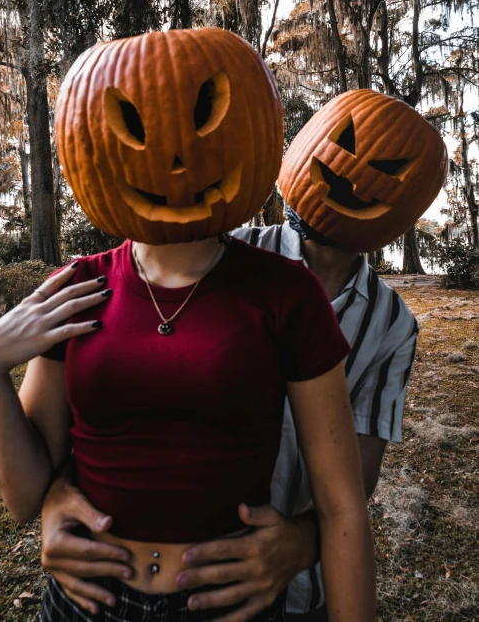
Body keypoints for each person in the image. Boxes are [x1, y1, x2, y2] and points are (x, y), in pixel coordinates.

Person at [0, 31, 376, 622]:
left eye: (206, 119)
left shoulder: (287, 294)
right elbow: (25, 495)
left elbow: (343, 508)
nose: (175, 159)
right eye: (135, 130)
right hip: (89, 603)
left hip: (230, 605)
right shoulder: (77, 290)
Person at [38, 89, 448, 622]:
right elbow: (126, 392)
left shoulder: (392, 325)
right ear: (299, 147)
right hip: (158, 566)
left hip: (300, 584)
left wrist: (299, 546)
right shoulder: (214, 252)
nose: (356, 170)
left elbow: (359, 477)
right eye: (342, 142)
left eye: (391, 168)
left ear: (411, 202)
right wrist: (54, 497)